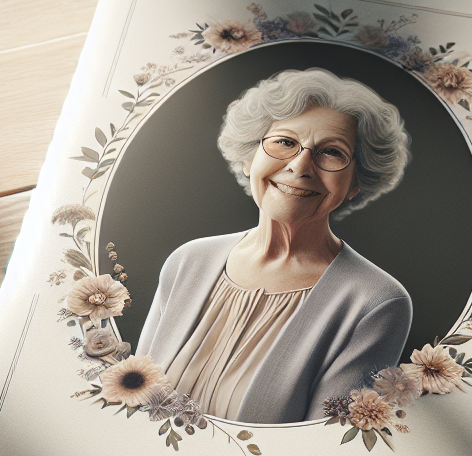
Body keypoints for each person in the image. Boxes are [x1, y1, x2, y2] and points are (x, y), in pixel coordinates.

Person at [136, 66, 412, 423]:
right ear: (251, 158)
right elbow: (131, 399)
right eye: (285, 142)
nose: (300, 166)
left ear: (356, 183)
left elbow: (319, 447)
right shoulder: (188, 260)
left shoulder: (377, 303)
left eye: (331, 152)